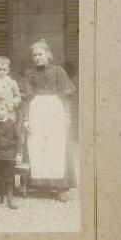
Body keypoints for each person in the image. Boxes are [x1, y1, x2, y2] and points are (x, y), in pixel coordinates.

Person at [21, 39, 76, 202]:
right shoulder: (29, 74)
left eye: (40, 54)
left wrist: (67, 114)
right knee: (37, 145)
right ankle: (39, 185)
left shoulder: (58, 71)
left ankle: (61, 187)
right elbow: (26, 98)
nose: (37, 58)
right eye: (35, 55)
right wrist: (25, 118)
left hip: (54, 110)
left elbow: (67, 96)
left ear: (48, 55)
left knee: (56, 147)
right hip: (36, 110)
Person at [0, 97, 23, 209]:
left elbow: (18, 139)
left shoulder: (12, 124)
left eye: (2, 109)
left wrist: (19, 153)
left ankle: (10, 196)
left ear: (7, 110)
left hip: (8, 153)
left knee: (9, 175)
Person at [0, 56, 22, 121]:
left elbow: (18, 96)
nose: (1, 72)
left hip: (8, 111)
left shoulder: (12, 83)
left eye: (4, 70)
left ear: (8, 70)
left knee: (8, 127)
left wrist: (13, 103)